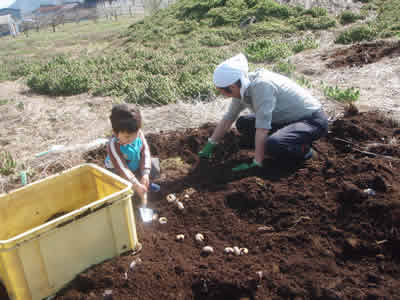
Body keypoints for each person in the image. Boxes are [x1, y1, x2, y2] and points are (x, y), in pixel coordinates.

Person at [198, 53, 328, 171]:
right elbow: (228, 119)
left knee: (273, 145)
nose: (224, 96)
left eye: (223, 92)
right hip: (286, 119)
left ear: (232, 87)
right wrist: (209, 146)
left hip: (311, 120)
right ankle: (285, 140)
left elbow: (262, 128)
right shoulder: (242, 87)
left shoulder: (261, 86)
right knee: (243, 123)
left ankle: (305, 151)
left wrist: (257, 163)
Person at [105, 104, 160, 206]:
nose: (133, 139)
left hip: (134, 162)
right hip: (119, 169)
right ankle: (134, 190)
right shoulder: (113, 145)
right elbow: (122, 168)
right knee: (119, 184)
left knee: (153, 165)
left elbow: (145, 152)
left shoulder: (137, 133)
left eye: (136, 134)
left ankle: (145, 183)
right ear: (116, 133)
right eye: (127, 137)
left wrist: (145, 174)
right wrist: (135, 184)